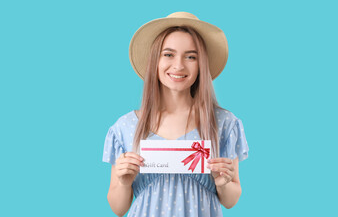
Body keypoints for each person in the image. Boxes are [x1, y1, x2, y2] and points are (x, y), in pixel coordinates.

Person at [102, 12, 249, 217]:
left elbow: (231, 200)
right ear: (155, 60)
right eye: (168, 54)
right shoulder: (126, 127)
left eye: (191, 56)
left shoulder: (224, 123)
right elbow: (118, 208)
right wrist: (123, 181)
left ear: (201, 64)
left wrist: (223, 182)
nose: (179, 65)